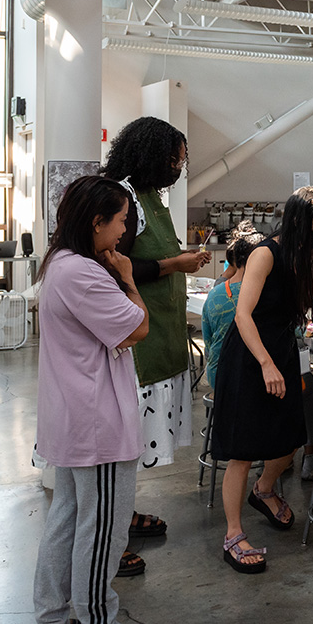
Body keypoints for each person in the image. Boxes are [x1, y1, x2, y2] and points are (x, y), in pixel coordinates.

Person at [33, 176, 155, 624]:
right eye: (121, 221)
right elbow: (137, 327)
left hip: (73, 417)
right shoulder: (82, 273)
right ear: (96, 221)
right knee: (103, 530)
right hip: (96, 424)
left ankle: (52, 620)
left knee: (66, 520)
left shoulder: (60, 265)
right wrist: (127, 277)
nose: (124, 231)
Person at [100, 116, 209, 576]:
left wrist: (180, 262)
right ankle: (109, 538)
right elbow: (118, 264)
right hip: (137, 345)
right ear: (150, 155)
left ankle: (124, 516)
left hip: (161, 332)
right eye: (173, 159)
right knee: (125, 442)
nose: (177, 167)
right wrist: (173, 263)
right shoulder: (122, 196)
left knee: (136, 443)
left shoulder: (150, 200)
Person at [210, 187, 313, 574]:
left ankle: (263, 491)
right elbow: (243, 315)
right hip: (251, 357)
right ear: (300, 223)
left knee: (292, 437)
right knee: (243, 450)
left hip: (279, 350)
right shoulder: (265, 253)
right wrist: (265, 363)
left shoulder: (300, 254)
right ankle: (233, 535)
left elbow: (288, 293)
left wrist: (312, 303)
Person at [201, 221, 264, 389]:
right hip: (252, 378)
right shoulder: (265, 294)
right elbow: (296, 332)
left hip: (218, 375)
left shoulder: (214, 295)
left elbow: (208, 344)